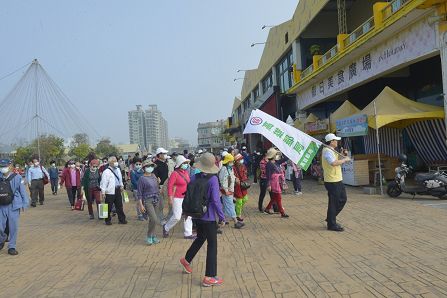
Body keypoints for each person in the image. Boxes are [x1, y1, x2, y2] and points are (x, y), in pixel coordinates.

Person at [179, 153, 226, 287]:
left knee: (200, 238)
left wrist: (186, 212)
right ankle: (209, 276)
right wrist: (222, 217)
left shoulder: (194, 177)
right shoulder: (213, 180)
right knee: (212, 246)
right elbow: (216, 201)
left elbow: (189, 196)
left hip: (197, 215)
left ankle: (186, 259)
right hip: (209, 217)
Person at [322, 133, 351, 232]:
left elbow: (335, 160)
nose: (337, 142)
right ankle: (331, 224)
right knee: (334, 202)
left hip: (337, 179)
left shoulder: (332, 150)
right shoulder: (327, 151)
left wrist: (344, 155)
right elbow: (333, 163)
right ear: (331, 141)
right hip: (332, 180)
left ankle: (330, 218)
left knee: (343, 199)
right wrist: (344, 160)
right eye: (335, 140)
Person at [0, 159, 29, 255]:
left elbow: (23, 191)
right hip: (1, 205)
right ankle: (2, 239)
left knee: (13, 227)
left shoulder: (17, 177)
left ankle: (12, 246)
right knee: (0, 226)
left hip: (14, 205)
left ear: (10, 166)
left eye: (5, 166)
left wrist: (25, 203)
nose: (3, 168)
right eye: (1, 166)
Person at [163, 155, 195, 239]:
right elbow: (170, 186)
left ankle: (188, 233)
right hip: (177, 197)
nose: (186, 164)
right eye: (184, 163)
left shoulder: (186, 173)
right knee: (177, 217)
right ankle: (166, 227)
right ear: (180, 164)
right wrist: (170, 197)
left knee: (188, 215)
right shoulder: (175, 173)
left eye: (187, 163)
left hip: (186, 197)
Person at [137, 160, 161, 245]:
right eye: (148, 166)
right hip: (147, 200)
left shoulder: (154, 176)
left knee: (154, 220)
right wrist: (141, 205)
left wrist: (158, 182)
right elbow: (139, 193)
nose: (150, 168)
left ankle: (153, 236)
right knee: (153, 218)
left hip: (156, 199)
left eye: (151, 166)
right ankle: (149, 236)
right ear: (143, 168)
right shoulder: (142, 178)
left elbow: (156, 188)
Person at [218, 154, 244, 229]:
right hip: (227, 191)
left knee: (227, 206)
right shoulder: (224, 169)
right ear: (228, 161)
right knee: (230, 205)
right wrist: (226, 190)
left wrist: (236, 178)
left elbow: (232, 176)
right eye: (231, 161)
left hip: (230, 190)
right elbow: (223, 181)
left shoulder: (230, 168)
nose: (232, 163)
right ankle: (236, 222)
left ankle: (222, 220)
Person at [100, 156, 127, 225]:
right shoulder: (106, 171)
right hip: (109, 191)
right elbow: (104, 182)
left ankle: (122, 219)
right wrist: (103, 192)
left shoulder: (118, 169)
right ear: (110, 163)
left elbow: (120, 179)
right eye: (114, 161)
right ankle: (107, 220)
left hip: (117, 189)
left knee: (119, 205)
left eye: (116, 161)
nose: (116, 162)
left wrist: (121, 185)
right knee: (108, 206)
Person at [264, 148, 289, 218]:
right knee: (278, 198)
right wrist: (268, 185)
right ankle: (282, 213)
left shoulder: (276, 162)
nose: (277, 155)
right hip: (273, 183)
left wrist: (282, 151)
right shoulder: (269, 164)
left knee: (274, 198)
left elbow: (286, 158)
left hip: (278, 182)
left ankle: (267, 209)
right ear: (273, 155)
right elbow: (268, 175)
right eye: (276, 154)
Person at [153, 147, 169, 221]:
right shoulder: (155, 164)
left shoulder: (165, 164)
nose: (165, 155)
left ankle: (163, 217)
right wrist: (158, 187)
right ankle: (160, 218)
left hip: (166, 185)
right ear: (159, 155)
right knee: (160, 204)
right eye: (164, 154)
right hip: (159, 186)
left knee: (165, 203)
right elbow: (155, 177)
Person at [233, 154, 249, 222]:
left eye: (241, 159)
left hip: (243, 185)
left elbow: (245, 174)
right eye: (239, 160)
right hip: (237, 186)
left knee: (245, 199)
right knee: (239, 201)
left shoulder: (243, 166)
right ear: (236, 161)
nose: (241, 161)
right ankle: (238, 215)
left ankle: (236, 210)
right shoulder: (233, 168)